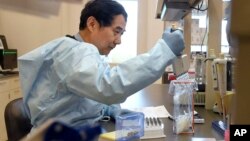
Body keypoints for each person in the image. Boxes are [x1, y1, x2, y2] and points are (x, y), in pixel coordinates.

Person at [18, 0, 184, 130]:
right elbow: (107, 86)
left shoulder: (86, 52)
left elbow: (82, 98)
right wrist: (163, 50)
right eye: (116, 31)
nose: (118, 40)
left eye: (121, 33)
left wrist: (110, 109)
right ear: (92, 24)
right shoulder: (73, 53)